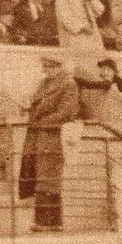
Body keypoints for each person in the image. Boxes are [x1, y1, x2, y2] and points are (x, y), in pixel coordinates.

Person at [18, 55, 81, 232]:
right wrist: (27, 107)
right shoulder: (44, 84)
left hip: (52, 137)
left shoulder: (68, 84)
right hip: (37, 136)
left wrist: (41, 122)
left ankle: (51, 222)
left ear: (58, 67)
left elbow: (67, 112)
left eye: (50, 68)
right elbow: (35, 103)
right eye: (45, 68)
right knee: (38, 177)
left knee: (49, 180)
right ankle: (42, 222)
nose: (46, 71)